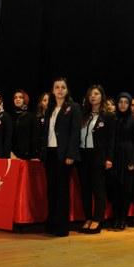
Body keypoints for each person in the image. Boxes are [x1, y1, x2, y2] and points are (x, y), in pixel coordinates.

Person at [42, 78, 82, 237]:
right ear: (53, 90)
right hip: (50, 153)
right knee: (51, 189)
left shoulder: (74, 107)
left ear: (67, 90)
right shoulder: (49, 108)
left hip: (64, 154)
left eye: (63, 87)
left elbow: (75, 133)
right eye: (57, 87)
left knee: (62, 190)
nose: (59, 90)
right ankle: (51, 224)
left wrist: (71, 154)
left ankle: (61, 227)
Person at [78, 85, 115, 234]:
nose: (93, 96)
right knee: (85, 189)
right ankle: (88, 217)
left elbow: (111, 139)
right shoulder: (83, 114)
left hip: (98, 156)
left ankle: (98, 219)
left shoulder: (108, 116)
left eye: (96, 94)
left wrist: (109, 158)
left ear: (102, 97)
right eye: (90, 94)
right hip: (83, 155)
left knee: (98, 188)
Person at [112, 92, 134, 231]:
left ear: (129, 105)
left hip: (128, 157)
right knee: (115, 189)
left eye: (125, 102)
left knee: (126, 190)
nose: (123, 104)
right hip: (115, 157)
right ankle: (116, 217)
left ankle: (123, 218)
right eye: (120, 102)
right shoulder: (113, 119)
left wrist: (133, 161)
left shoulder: (133, 120)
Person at [9, 90, 38, 160]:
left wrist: (34, 155)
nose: (17, 99)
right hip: (11, 154)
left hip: (27, 155)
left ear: (25, 99)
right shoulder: (9, 116)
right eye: (15, 97)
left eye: (20, 97)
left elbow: (34, 137)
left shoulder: (31, 116)